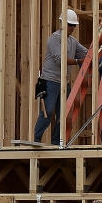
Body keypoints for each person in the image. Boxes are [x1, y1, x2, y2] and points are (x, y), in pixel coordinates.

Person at [34, 9, 88, 145]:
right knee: (48, 111)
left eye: (73, 25)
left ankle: (56, 142)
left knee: (64, 114)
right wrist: (77, 61)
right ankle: (36, 138)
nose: (72, 28)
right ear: (62, 23)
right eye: (70, 25)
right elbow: (60, 59)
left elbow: (86, 53)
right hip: (49, 81)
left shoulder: (73, 42)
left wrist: (99, 49)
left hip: (63, 83)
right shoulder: (54, 38)